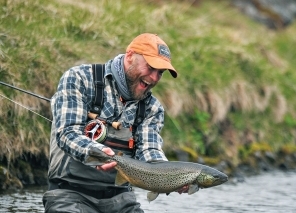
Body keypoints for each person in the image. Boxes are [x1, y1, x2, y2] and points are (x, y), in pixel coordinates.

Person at [42, 33, 188, 213]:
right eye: (151, 67)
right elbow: (68, 133)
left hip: (121, 199)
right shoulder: (80, 78)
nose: (155, 78)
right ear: (129, 56)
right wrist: (97, 153)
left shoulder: (152, 108)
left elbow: (150, 151)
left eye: (160, 72)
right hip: (69, 195)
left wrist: (170, 176)